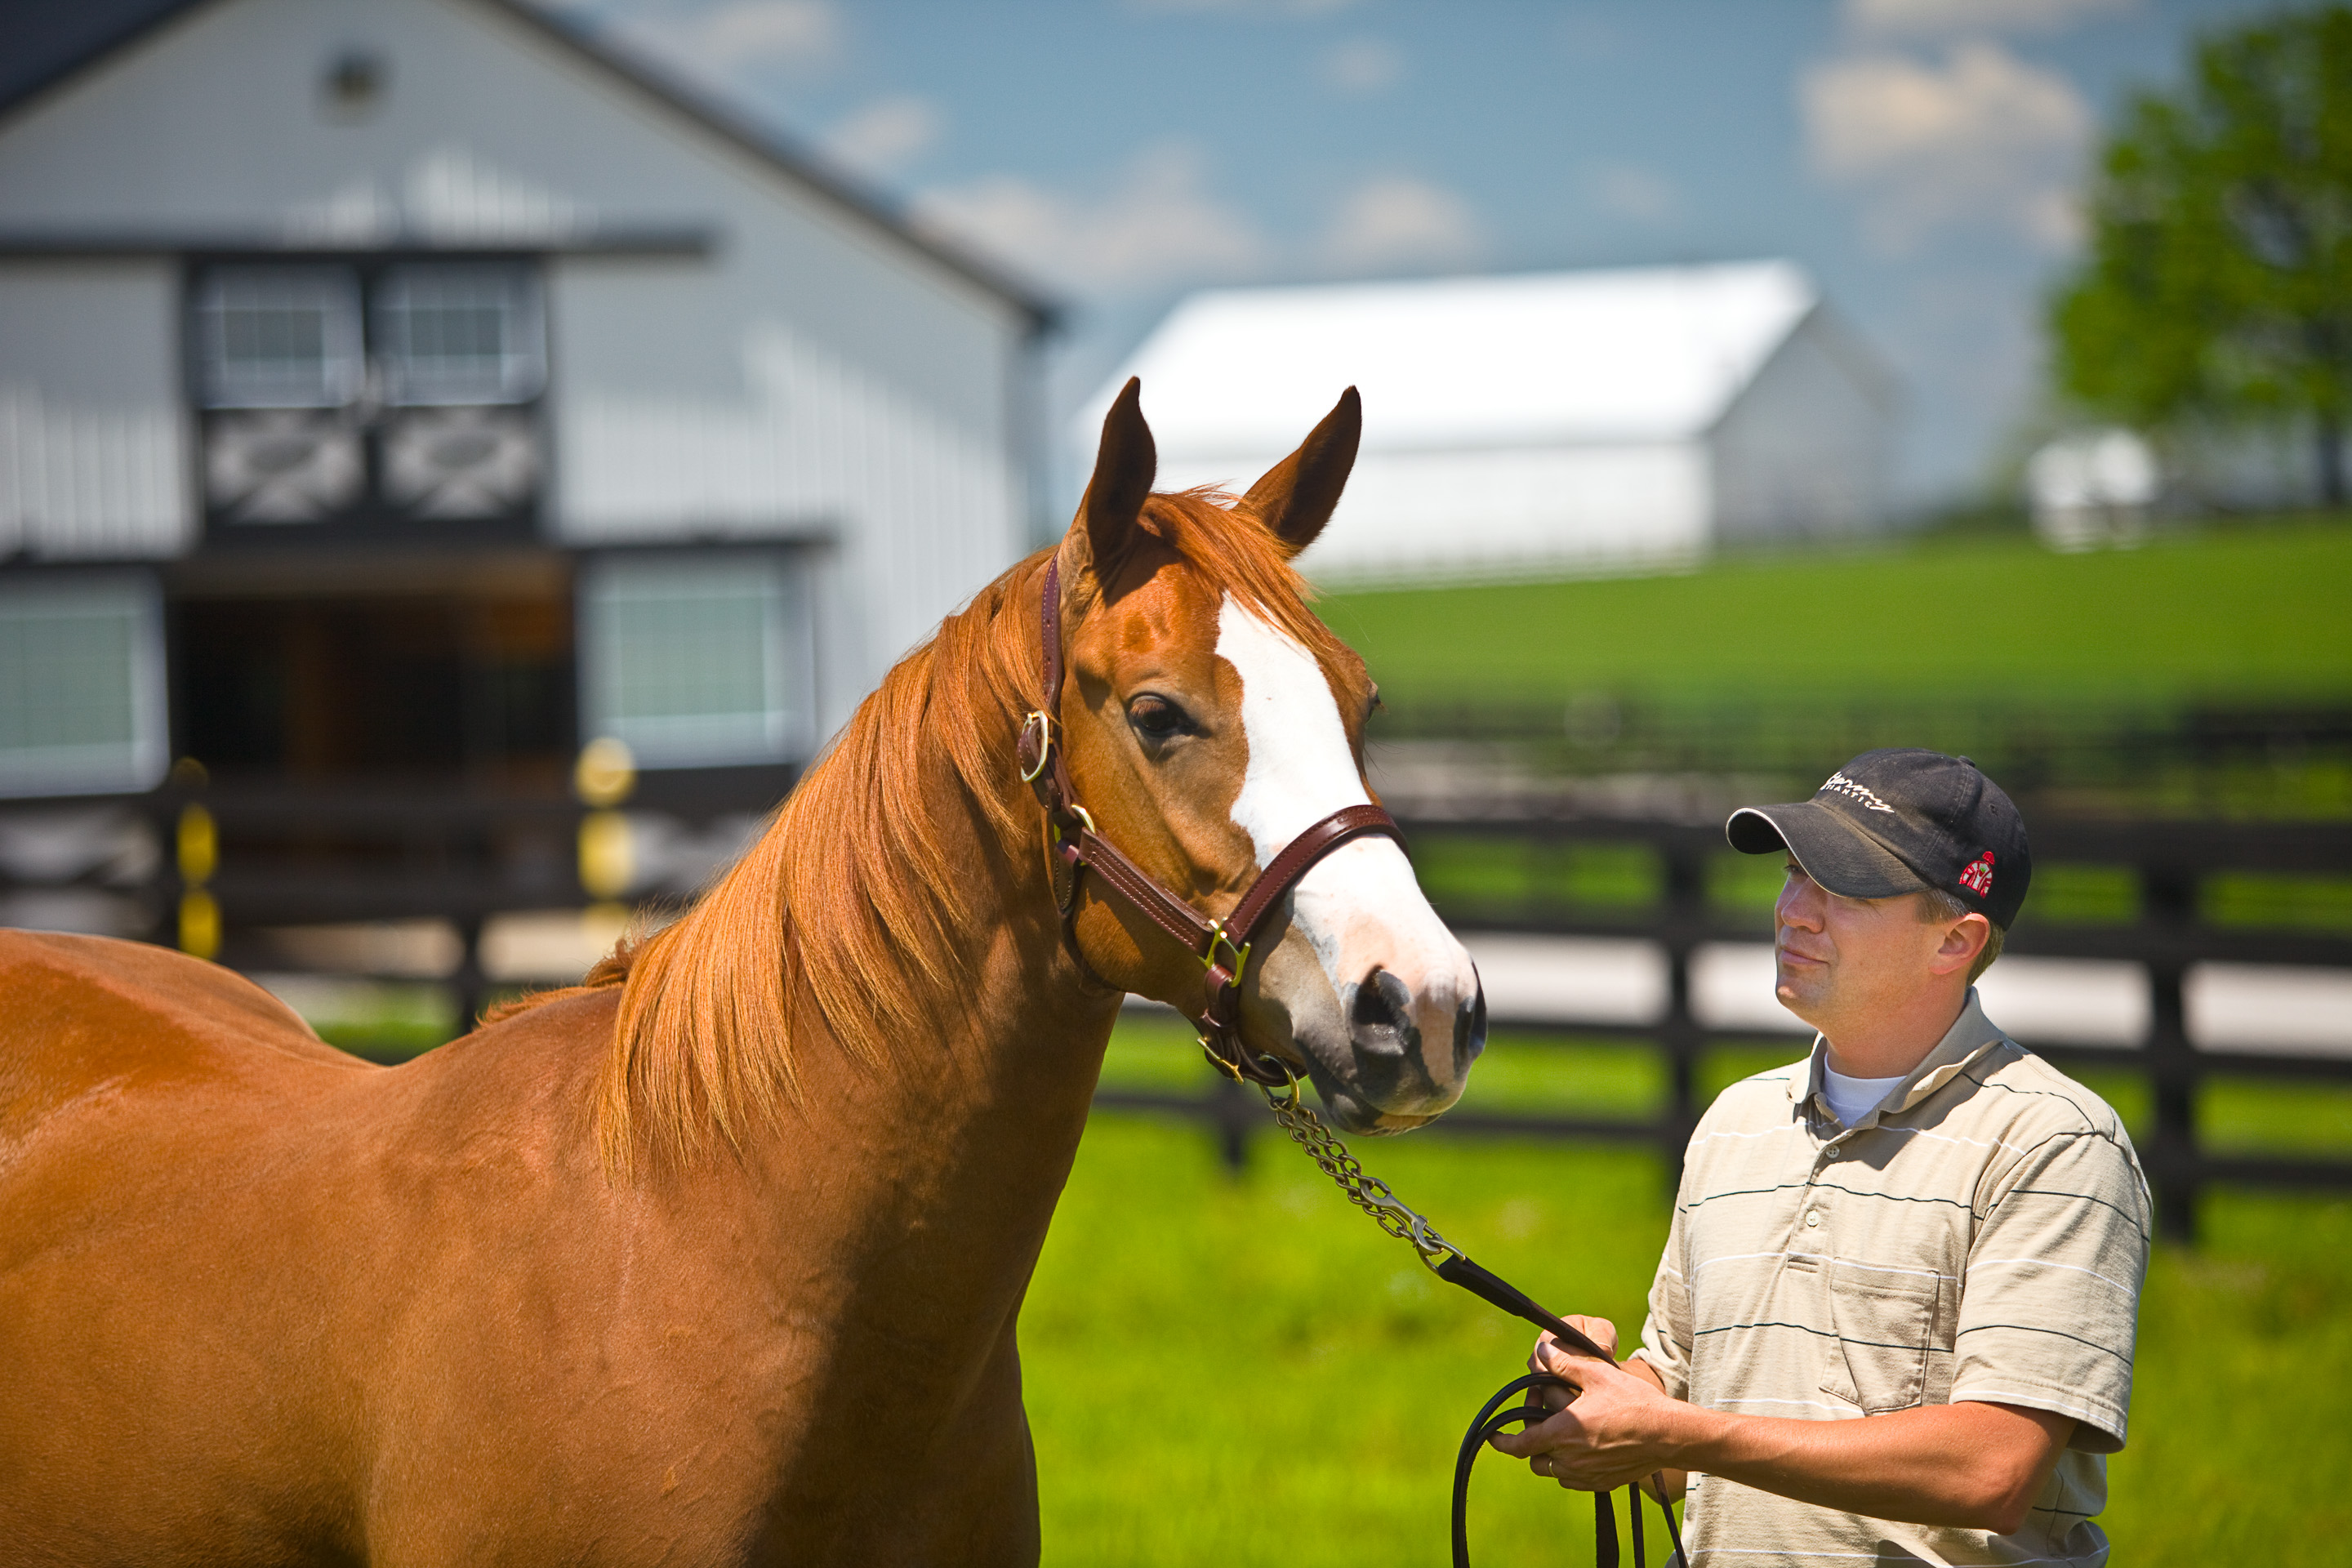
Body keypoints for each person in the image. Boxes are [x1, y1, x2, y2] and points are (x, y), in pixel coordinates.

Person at [1495, 748, 2150, 1566]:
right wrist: (1606, 1399)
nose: (1794, 910)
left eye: (1842, 889)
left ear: (1955, 939)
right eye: (1796, 873)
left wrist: (1676, 1428)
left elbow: (1992, 1467)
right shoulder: (1735, 1124)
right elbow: (1676, 1461)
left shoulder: (2054, 1145)